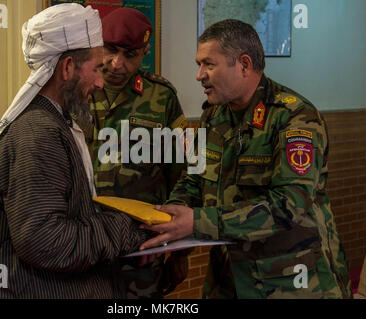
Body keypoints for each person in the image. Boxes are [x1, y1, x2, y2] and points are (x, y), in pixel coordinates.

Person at [140, 19, 352, 299]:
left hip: (289, 283)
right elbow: (193, 180)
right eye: (198, 64)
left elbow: (289, 206)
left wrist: (196, 222)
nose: (199, 75)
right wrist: (169, 215)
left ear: (243, 64)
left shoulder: (294, 119)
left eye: (209, 64)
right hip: (229, 279)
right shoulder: (213, 117)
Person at [0, 4, 148, 299]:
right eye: (97, 68)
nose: (100, 82)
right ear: (68, 67)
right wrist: (126, 230)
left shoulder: (52, 123)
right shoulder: (38, 134)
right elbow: (47, 242)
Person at [83, 8, 188, 298]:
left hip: (142, 245)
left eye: (130, 55)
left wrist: (179, 251)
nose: (117, 64)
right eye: (110, 50)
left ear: (145, 53)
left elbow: (181, 175)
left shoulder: (161, 96)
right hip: (84, 242)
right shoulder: (76, 90)